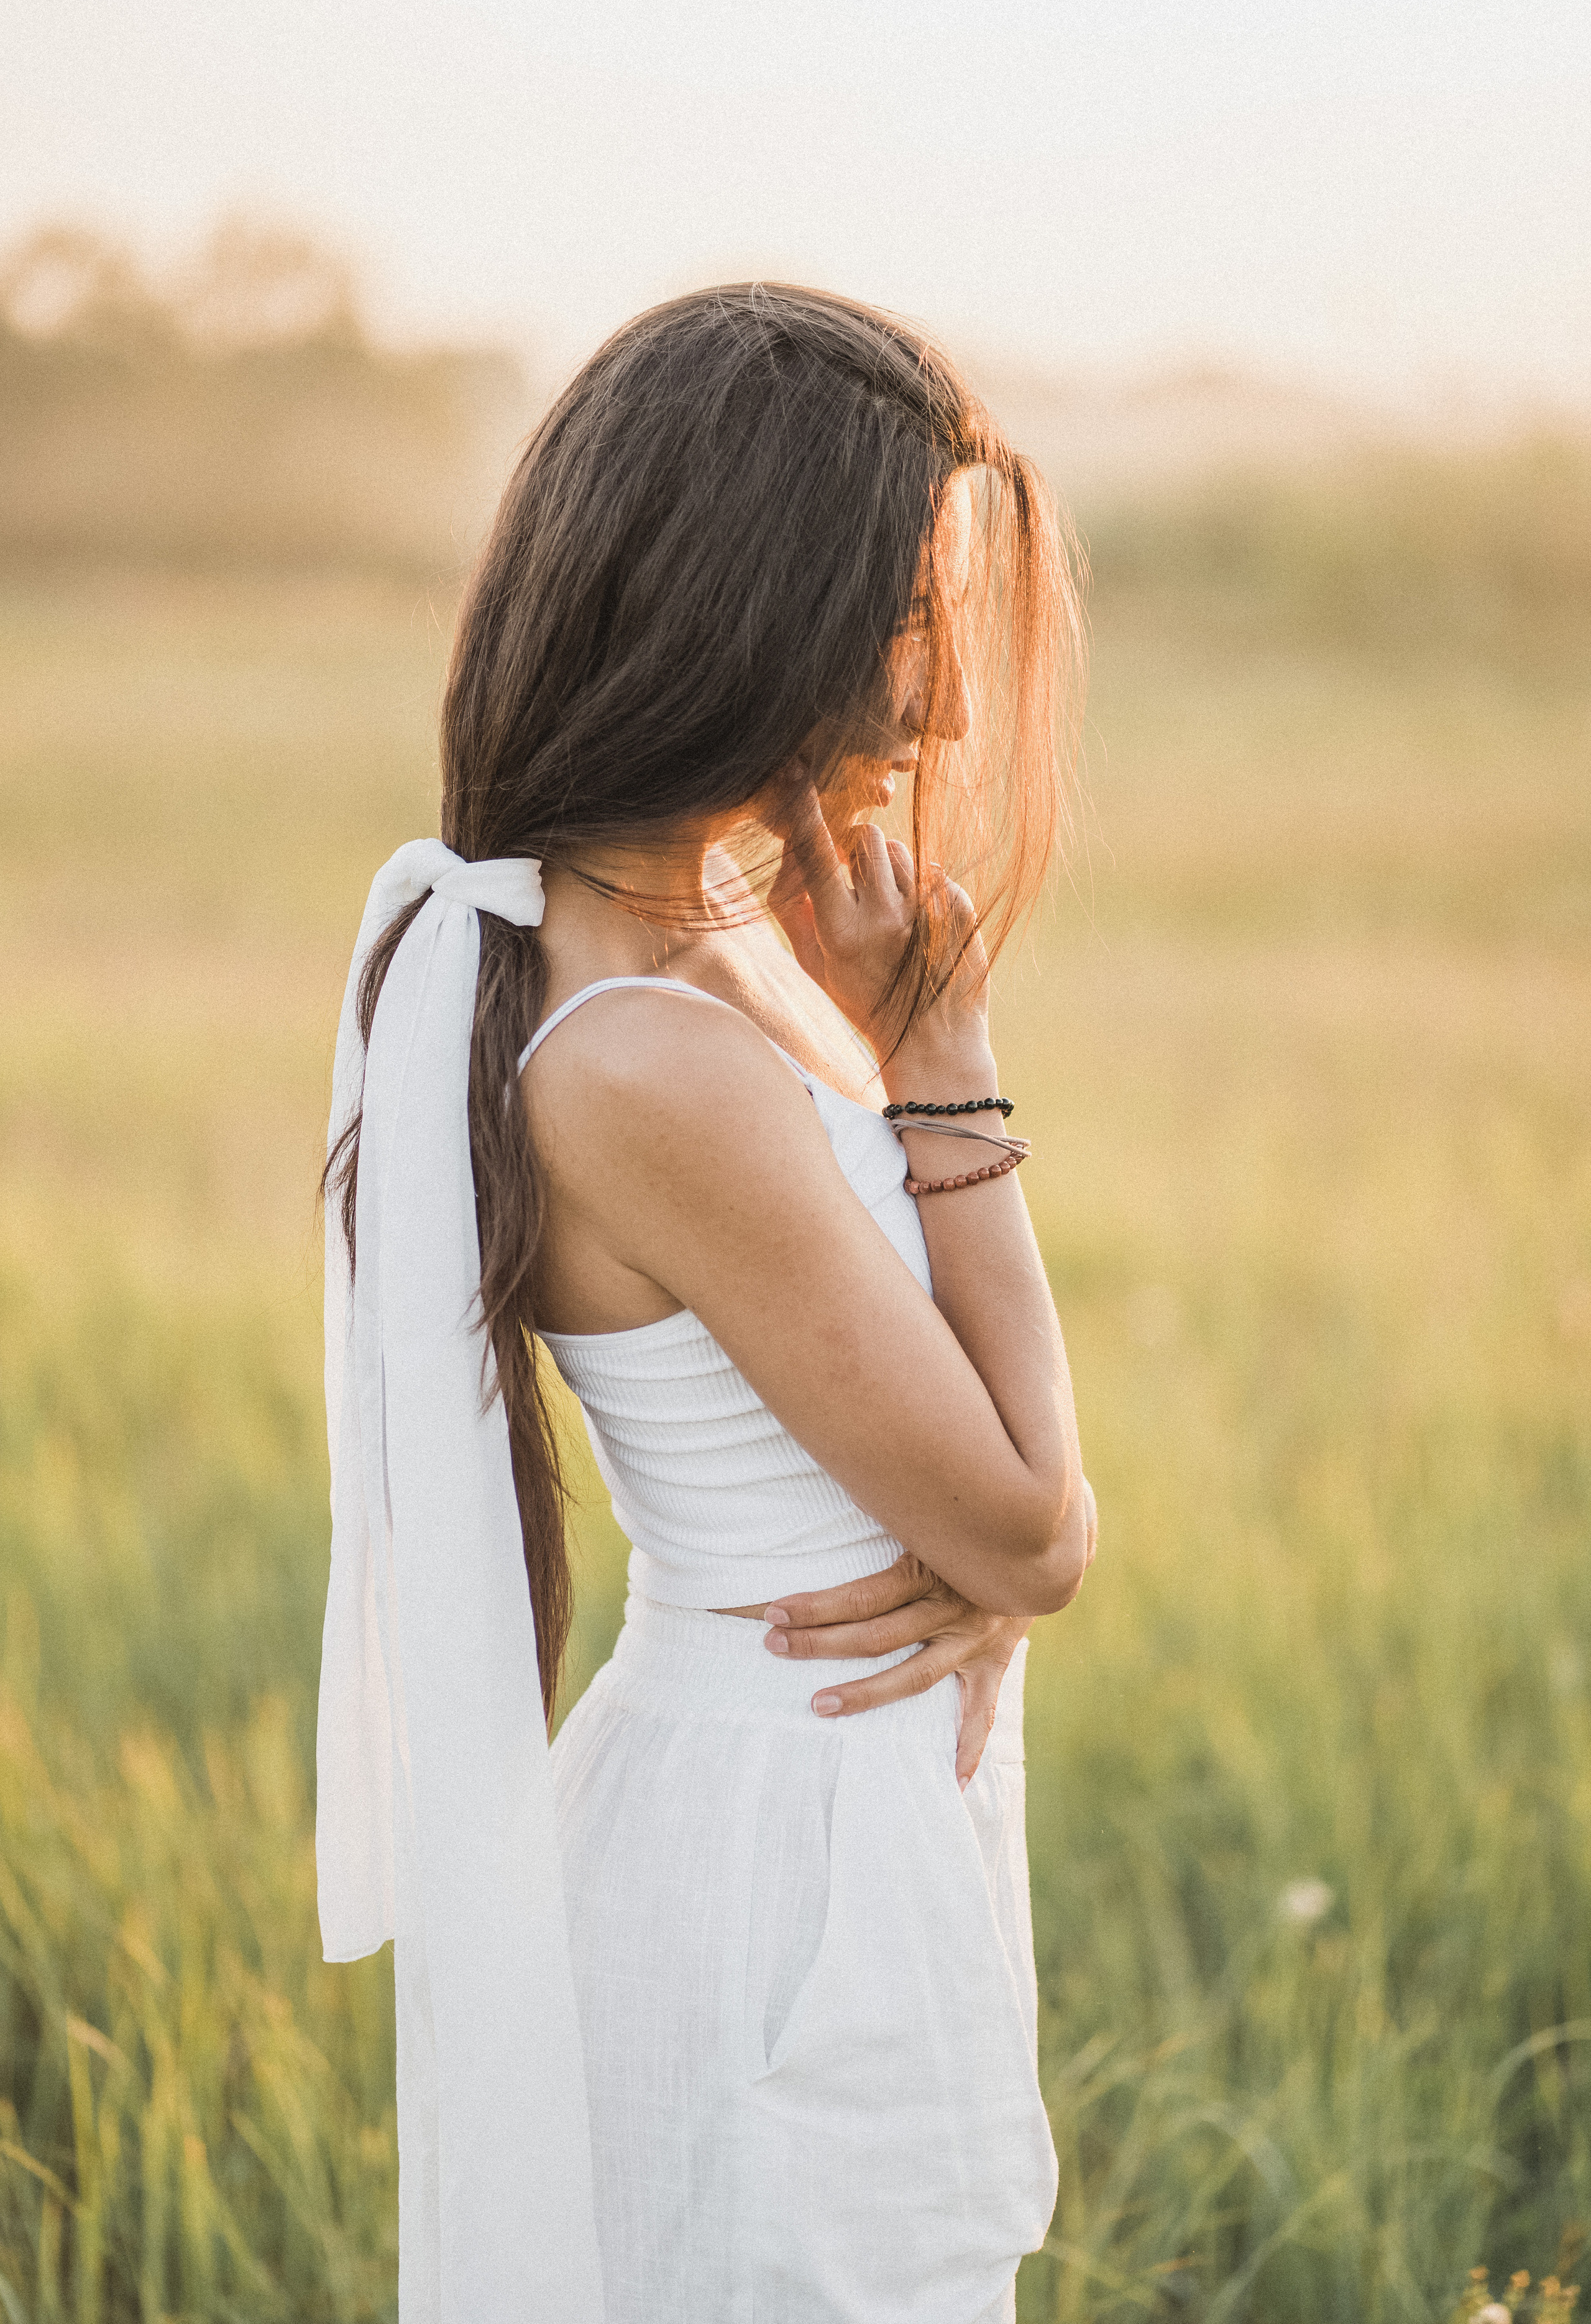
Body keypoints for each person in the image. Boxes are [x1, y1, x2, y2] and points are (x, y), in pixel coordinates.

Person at [317, 282, 1096, 2324]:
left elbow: (970, 1495)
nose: (951, 673)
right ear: (766, 603)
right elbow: (1032, 1521)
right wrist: (943, 1065)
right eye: (915, 600)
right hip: (768, 1857)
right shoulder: (652, 1053)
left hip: (824, 1803)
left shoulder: (713, 967)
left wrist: (986, 1559)